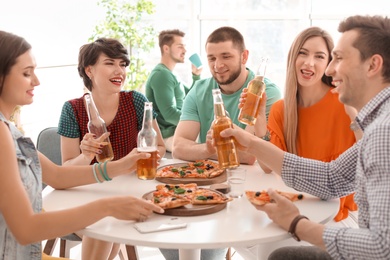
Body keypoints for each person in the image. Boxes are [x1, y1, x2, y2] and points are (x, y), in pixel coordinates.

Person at [219, 15, 390, 259]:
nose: (329, 69)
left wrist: (297, 224)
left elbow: (382, 247)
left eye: (337, 58)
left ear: (373, 66)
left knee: (275, 251)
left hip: (357, 236)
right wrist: (253, 142)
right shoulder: (380, 124)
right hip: (331, 216)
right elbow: (332, 178)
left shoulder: (382, 131)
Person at [0, 30, 164, 260]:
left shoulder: (10, 129)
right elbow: (26, 229)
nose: (37, 81)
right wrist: (107, 207)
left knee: (107, 229)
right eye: (27, 73)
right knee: (106, 227)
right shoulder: (3, 133)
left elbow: (57, 176)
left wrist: (121, 166)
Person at [57, 38, 166, 260]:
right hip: (86, 194)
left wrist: (146, 157)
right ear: (89, 70)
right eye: (110, 63)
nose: (119, 71)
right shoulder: (72, 109)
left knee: (111, 225)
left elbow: (161, 147)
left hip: (129, 190)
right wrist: (86, 155)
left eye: (123, 64)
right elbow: (66, 169)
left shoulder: (136, 101)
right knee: (106, 226)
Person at [264, 26, 359, 223]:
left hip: (341, 216)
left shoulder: (344, 102)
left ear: (329, 64)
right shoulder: (281, 109)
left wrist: (353, 111)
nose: (309, 63)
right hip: (299, 208)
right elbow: (268, 168)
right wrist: (256, 120)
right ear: (293, 57)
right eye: (303, 53)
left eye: (319, 57)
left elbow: (369, 157)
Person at [172, 26, 281, 164]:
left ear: (244, 56)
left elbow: (249, 155)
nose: (218, 65)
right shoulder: (198, 91)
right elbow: (178, 148)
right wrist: (207, 149)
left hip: (252, 179)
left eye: (226, 56)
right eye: (212, 58)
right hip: (210, 177)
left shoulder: (266, 93)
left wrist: (198, 151)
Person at [145, 29, 202, 152]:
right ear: (166, 48)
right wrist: (197, 123)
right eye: (180, 47)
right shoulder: (161, 75)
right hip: (168, 135)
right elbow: (169, 113)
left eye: (185, 47)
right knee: (212, 147)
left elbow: (191, 96)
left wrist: (196, 76)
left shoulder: (170, 74)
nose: (185, 51)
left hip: (177, 131)